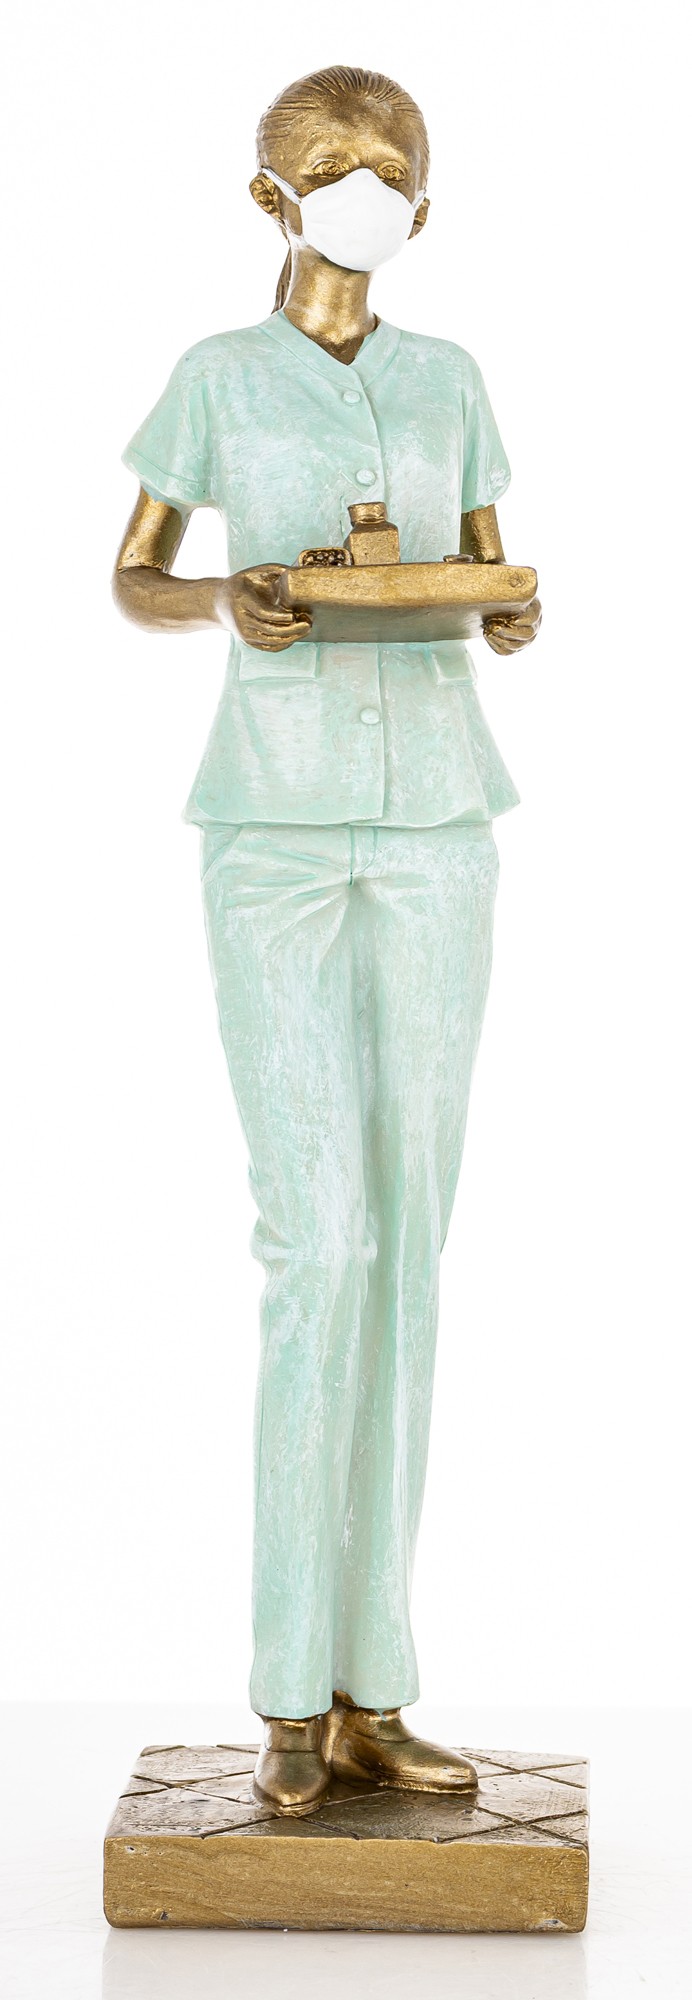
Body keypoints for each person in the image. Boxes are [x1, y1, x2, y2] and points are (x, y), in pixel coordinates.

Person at [113, 64, 541, 1815]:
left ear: (425, 203)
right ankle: (287, 1691)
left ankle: (377, 1685)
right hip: (273, 832)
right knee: (320, 1244)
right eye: (332, 165)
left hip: (439, 825)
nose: (366, 191)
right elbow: (135, 574)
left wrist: (508, 614)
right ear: (271, 195)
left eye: (392, 169)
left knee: (414, 1245)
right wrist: (226, 596)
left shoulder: (453, 381)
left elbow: (491, 569)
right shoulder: (218, 378)